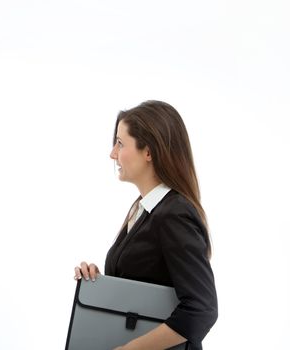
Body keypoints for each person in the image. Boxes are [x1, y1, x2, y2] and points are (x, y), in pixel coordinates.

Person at [74, 100, 217, 350]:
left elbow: (201, 309)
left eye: (120, 143)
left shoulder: (175, 214)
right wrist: (100, 282)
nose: (112, 154)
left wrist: (133, 349)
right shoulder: (143, 209)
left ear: (148, 152)